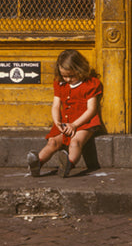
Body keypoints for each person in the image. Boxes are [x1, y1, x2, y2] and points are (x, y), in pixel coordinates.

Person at [27, 49, 104, 178]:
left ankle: (69, 164)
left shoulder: (90, 84)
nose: (67, 79)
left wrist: (74, 125)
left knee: (76, 142)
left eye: (71, 76)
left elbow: (91, 110)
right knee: (52, 142)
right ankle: (37, 163)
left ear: (80, 70)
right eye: (64, 76)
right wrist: (57, 122)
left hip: (84, 122)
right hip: (65, 122)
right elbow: (56, 105)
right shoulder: (60, 84)